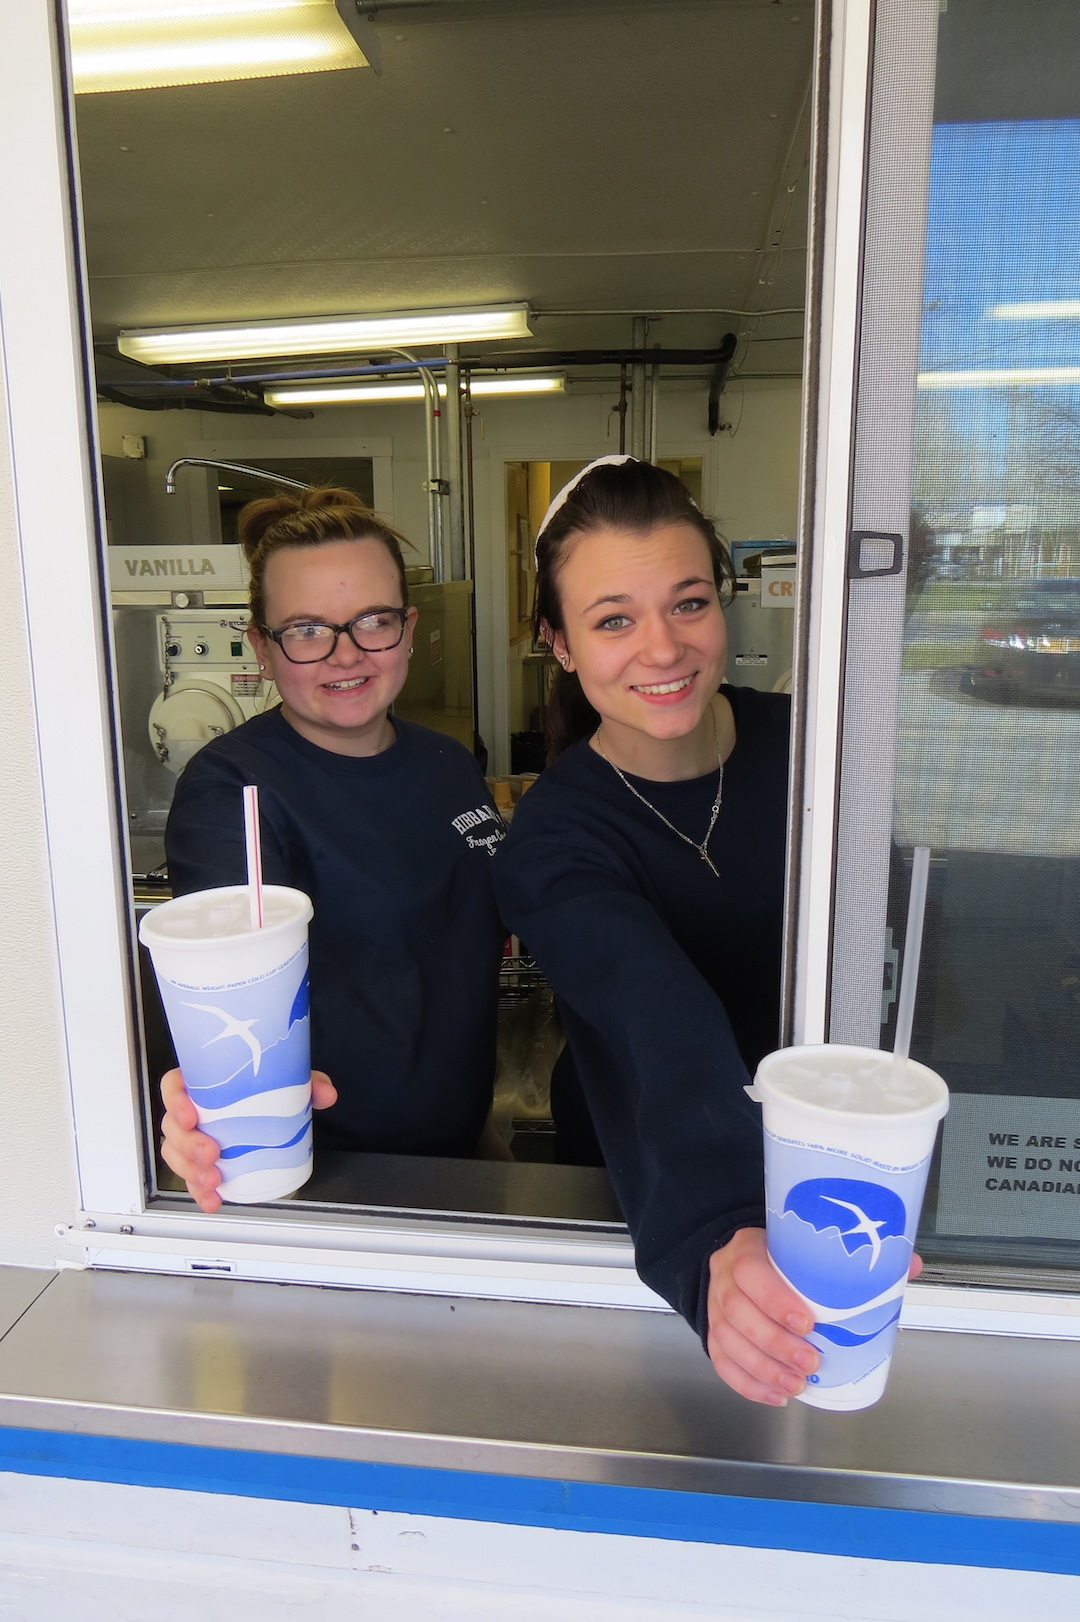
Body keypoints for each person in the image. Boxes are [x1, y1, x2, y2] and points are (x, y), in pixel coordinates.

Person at [491, 455, 821, 1407]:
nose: (663, 650)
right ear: (558, 643)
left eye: (687, 603)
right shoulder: (554, 838)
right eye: (613, 620)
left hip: (827, 1158)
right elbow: (653, 1013)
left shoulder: (815, 747)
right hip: (661, 1183)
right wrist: (717, 1229)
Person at [159, 487, 507, 1212]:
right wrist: (197, 1100)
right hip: (327, 1184)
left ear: (409, 629)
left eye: (373, 622)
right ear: (261, 645)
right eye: (307, 630)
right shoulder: (233, 791)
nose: (346, 655)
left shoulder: (447, 762)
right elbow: (224, 997)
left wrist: (479, 1139)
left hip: (460, 1156)